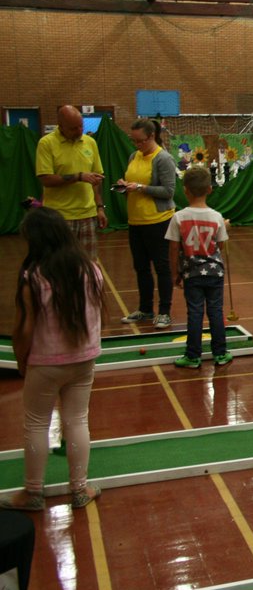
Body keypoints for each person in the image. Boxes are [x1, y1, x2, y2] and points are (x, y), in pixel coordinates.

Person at [0, 208, 103, 511]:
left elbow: (24, 328)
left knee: (35, 424)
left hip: (45, 362)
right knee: (77, 421)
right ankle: (79, 489)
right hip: (84, 359)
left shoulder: (33, 277)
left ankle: (33, 492)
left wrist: (22, 360)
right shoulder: (91, 269)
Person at [165, 167, 232, 369]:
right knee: (215, 311)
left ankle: (193, 355)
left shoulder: (178, 217)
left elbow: (174, 247)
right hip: (215, 272)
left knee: (194, 312)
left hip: (192, 272)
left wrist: (175, 272)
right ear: (209, 189)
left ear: (185, 190)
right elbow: (220, 245)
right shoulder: (216, 216)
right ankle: (220, 353)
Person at [116, 118, 177, 329]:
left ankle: (165, 312)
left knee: (162, 267)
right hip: (136, 222)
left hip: (158, 221)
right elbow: (133, 184)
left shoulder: (163, 159)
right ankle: (145, 309)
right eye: (133, 141)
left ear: (151, 136)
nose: (136, 145)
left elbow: (169, 191)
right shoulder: (134, 156)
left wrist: (140, 187)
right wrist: (125, 187)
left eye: (140, 141)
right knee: (141, 267)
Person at [34, 106, 106, 260]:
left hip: (87, 215)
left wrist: (100, 208)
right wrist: (78, 176)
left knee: (89, 265)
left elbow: (96, 180)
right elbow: (45, 179)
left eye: (81, 126)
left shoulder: (90, 143)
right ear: (60, 126)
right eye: (73, 128)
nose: (79, 130)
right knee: (60, 265)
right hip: (59, 217)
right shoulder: (46, 143)